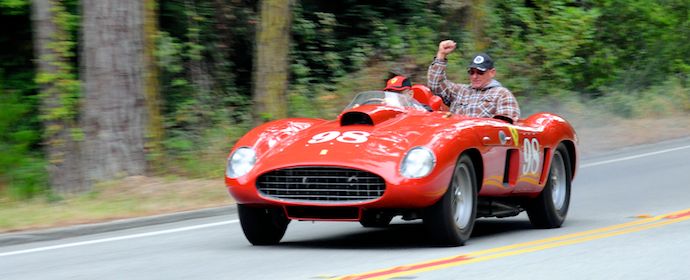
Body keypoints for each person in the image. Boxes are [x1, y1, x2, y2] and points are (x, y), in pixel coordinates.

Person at [427, 40, 520, 123]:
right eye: (471, 72)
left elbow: (506, 127)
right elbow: (435, 84)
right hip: (454, 135)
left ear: (492, 73)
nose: (475, 76)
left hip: (481, 139)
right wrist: (441, 55)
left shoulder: (502, 94)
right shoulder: (460, 90)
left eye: (480, 72)